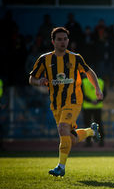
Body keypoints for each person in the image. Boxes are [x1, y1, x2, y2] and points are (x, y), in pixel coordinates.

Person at [29, 27, 103, 177]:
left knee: (63, 128)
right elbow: (31, 78)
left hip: (73, 100)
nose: (63, 42)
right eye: (59, 39)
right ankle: (91, 131)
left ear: (68, 41)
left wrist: (97, 88)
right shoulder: (44, 59)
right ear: (53, 41)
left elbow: (89, 72)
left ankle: (61, 167)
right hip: (56, 104)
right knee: (70, 138)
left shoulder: (75, 58)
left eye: (65, 39)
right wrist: (39, 81)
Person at [82, 74, 106, 147]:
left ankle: (88, 142)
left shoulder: (84, 81)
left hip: (87, 106)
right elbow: (104, 93)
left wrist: (90, 101)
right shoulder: (101, 81)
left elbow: (81, 94)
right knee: (99, 124)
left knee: (87, 124)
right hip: (97, 106)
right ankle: (101, 141)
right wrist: (97, 101)